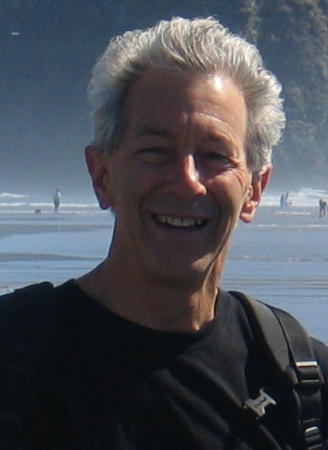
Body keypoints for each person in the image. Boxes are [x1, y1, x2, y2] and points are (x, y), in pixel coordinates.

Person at [1, 17, 328, 449]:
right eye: (155, 151)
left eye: (215, 155)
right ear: (102, 175)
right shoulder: (14, 358)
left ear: (255, 189)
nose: (187, 180)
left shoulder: (302, 383)